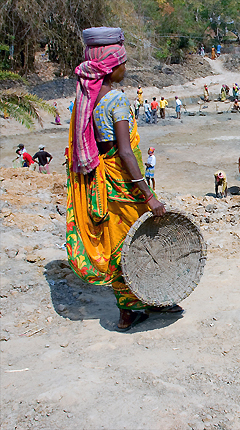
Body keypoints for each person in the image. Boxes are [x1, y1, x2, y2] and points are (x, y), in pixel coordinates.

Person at [66, 27, 177, 332]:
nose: (126, 69)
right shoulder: (116, 101)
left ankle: (128, 311)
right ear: (111, 67)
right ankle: (154, 298)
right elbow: (126, 153)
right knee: (144, 241)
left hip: (102, 182)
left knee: (116, 244)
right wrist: (148, 194)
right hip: (125, 183)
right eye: (124, 63)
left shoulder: (85, 98)